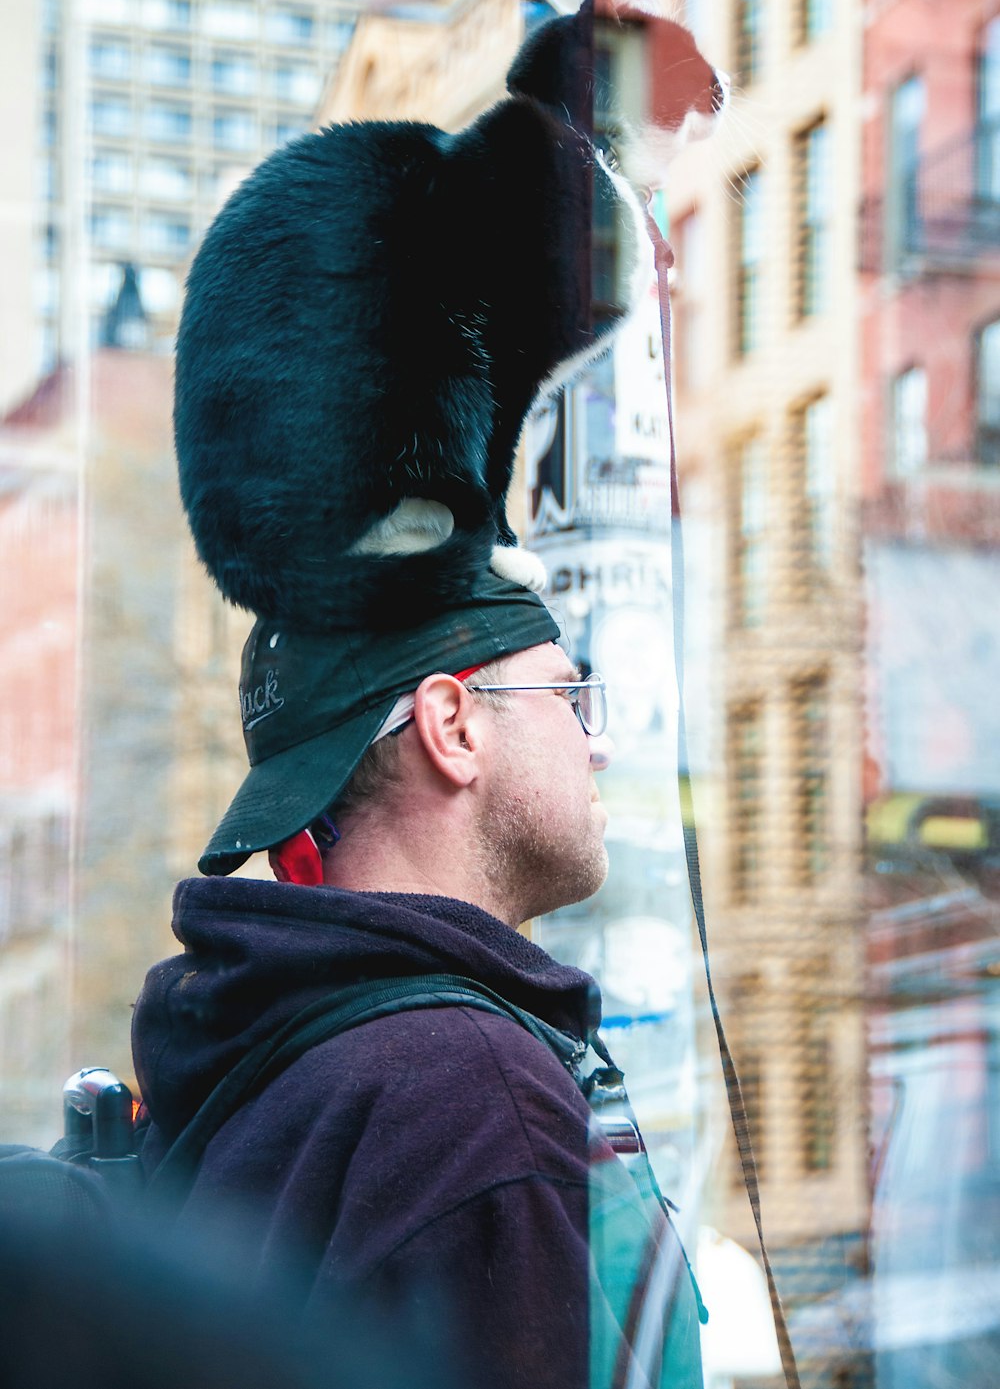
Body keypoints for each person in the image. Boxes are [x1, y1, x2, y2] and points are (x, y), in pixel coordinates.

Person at [132, 570, 705, 1389]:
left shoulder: (251, 1061)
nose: (598, 742)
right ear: (453, 726)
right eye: (570, 694)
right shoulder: (475, 1104)